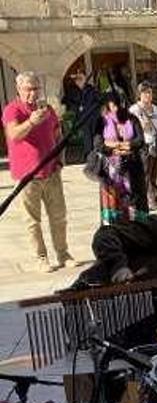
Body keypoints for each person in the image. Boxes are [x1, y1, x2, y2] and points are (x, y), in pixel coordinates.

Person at [2, 71, 75, 273]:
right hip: (27, 176)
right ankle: (40, 258)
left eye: (36, 88)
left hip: (51, 172)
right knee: (32, 222)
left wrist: (60, 161)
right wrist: (32, 122)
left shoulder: (47, 109)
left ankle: (63, 253)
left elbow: (57, 134)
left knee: (59, 216)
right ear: (19, 90)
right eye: (29, 89)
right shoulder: (12, 110)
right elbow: (14, 135)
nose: (33, 93)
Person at [97, 92, 148, 224]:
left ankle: (138, 228)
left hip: (132, 167)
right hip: (111, 170)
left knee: (136, 203)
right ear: (108, 106)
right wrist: (115, 148)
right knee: (113, 203)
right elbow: (98, 144)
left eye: (120, 105)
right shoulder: (102, 121)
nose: (117, 109)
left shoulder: (132, 119)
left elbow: (140, 140)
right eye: (114, 105)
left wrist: (124, 145)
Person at [130, 82, 157, 210]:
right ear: (139, 95)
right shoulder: (134, 109)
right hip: (144, 145)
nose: (148, 95)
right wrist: (142, 125)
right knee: (146, 174)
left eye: (150, 92)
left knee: (154, 174)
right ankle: (149, 200)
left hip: (155, 144)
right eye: (145, 93)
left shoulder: (155, 108)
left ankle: (156, 198)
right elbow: (131, 129)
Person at [62, 69, 102, 157]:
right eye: (77, 79)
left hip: (92, 117)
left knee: (95, 132)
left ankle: (95, 153)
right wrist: (76, 107)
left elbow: (99, 100)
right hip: (80, 118)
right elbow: (66, 102)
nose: (79, 80)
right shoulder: (72, 91)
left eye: (81, 78)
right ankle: (89, 154)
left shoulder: (90, 89)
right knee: (86, 132)